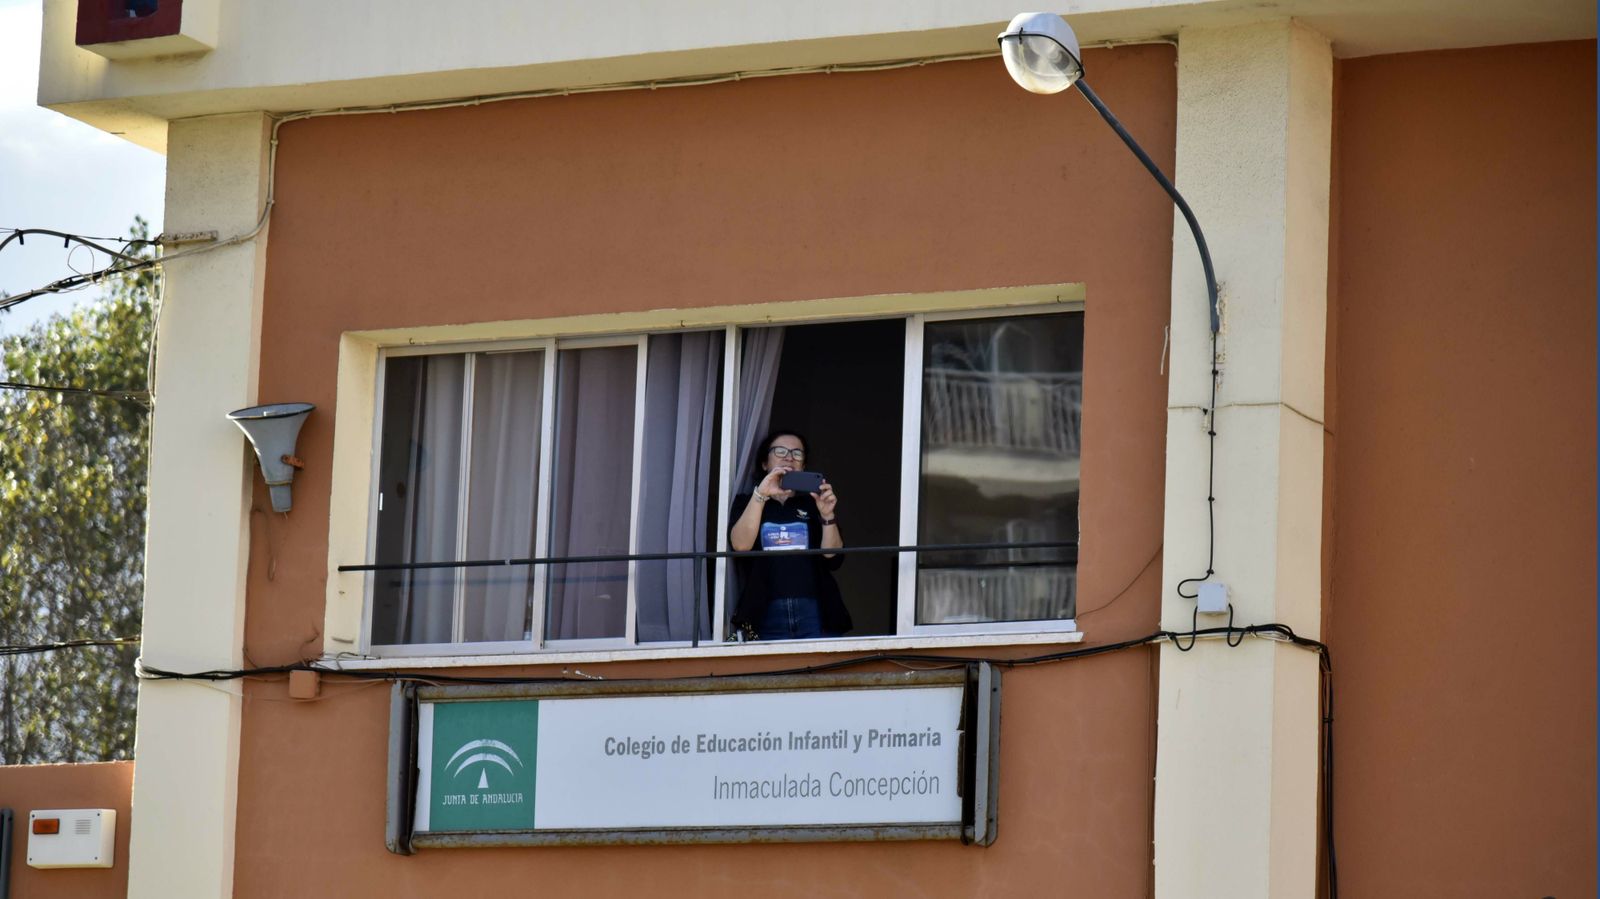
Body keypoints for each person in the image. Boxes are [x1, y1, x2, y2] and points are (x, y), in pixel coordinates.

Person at [729, 429, 851, 640]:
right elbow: (740, 546)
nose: (789, 457)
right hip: (764, 609)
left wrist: (827, 515)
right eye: (780, 451)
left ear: (803, 466)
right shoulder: (747, 502)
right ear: (764, 463)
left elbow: (833, 558)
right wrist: (761, 494)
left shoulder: (813, 503)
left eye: (797, 453)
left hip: (814, 609)